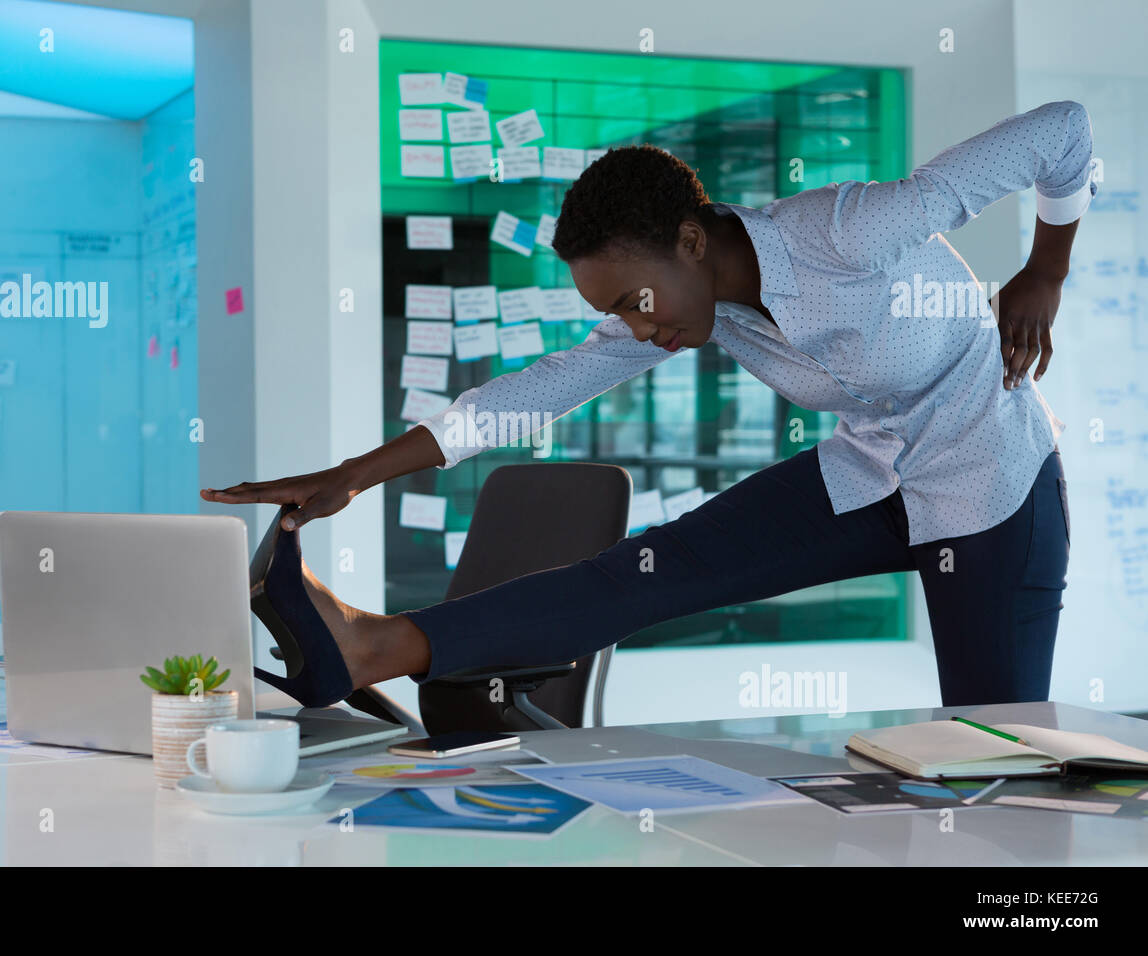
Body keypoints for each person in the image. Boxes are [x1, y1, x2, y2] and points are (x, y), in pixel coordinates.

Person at [202, 99, 1092, 711]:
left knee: (991, 752)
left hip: (994, 485)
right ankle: (372, 646)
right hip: (872, 473)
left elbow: (1064, 130)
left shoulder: (849, 231)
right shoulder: (680, 304)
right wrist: (353, 476)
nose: (637, 325)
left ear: (692, 240)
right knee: (646, 568)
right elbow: (531, 394)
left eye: (636, 299)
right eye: (613, 312)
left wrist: (1045, 268)